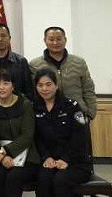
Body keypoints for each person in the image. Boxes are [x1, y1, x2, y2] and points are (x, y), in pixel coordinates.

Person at [33, 69, 92, 197]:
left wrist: (66, 159)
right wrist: (46, 157)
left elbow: (79, 137)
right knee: (42, 179)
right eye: (40, 85)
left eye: (48, 84)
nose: (44, 89)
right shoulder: (35, 107)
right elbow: (37, 137)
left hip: (76, 162)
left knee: (60, 180)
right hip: (50, 160)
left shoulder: (71, 106)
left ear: (56, 85)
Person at [0, 69, 40, 197]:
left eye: (6, 83)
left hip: (27, 156)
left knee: (14, 177)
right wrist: (3, 156)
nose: (1, 87)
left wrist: (5, 151)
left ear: (13, 86)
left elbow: (27, 136)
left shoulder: (25, 104)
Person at [29, 27, 97, 120]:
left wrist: (90, 114)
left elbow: (88, 88)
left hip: (78, 115)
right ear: (45, 41)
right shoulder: (35, 65)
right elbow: (32, 92)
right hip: (48, 117)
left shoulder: (79, 62)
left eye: (59, 39)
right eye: (51, 39)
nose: (55, 43)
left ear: (65, 40)